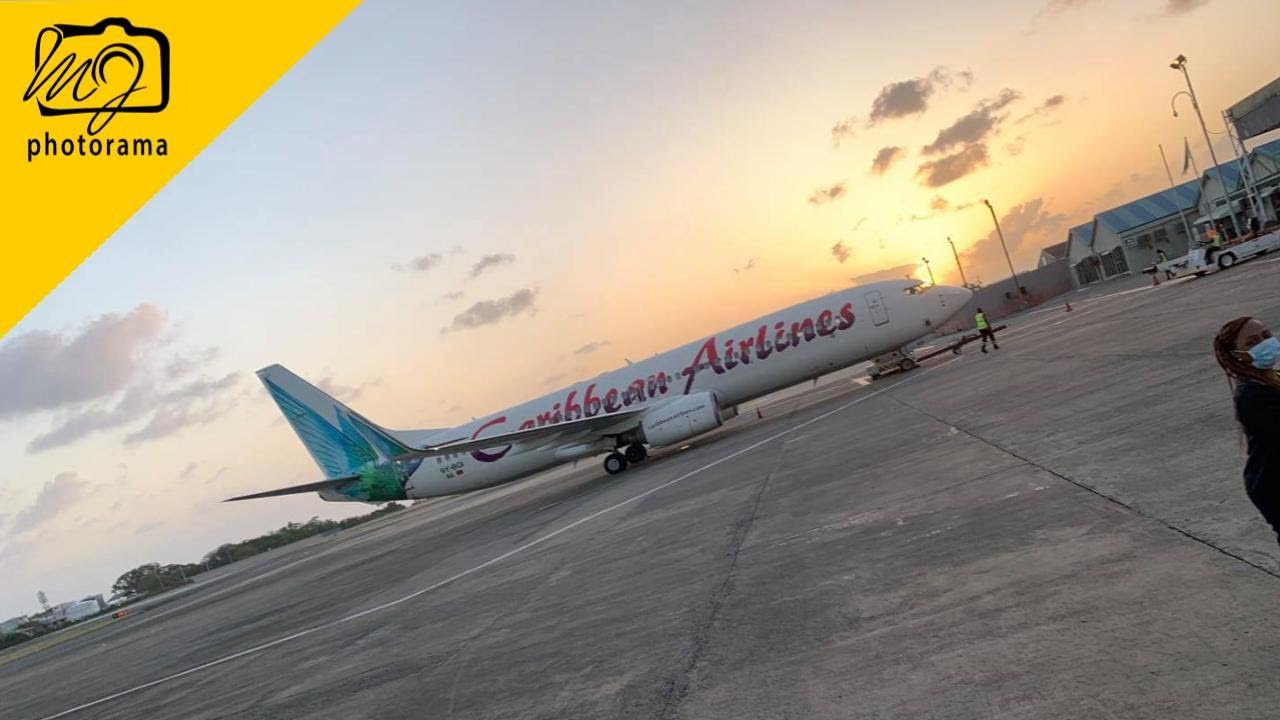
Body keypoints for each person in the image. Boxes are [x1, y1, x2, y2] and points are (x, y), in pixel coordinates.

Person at [1213, 316, 1280, 548]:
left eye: (1266, 336)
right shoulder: (1251, 396)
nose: (1264, 343)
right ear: (1237, 355)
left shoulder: (1269, 379)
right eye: (1252, 342)